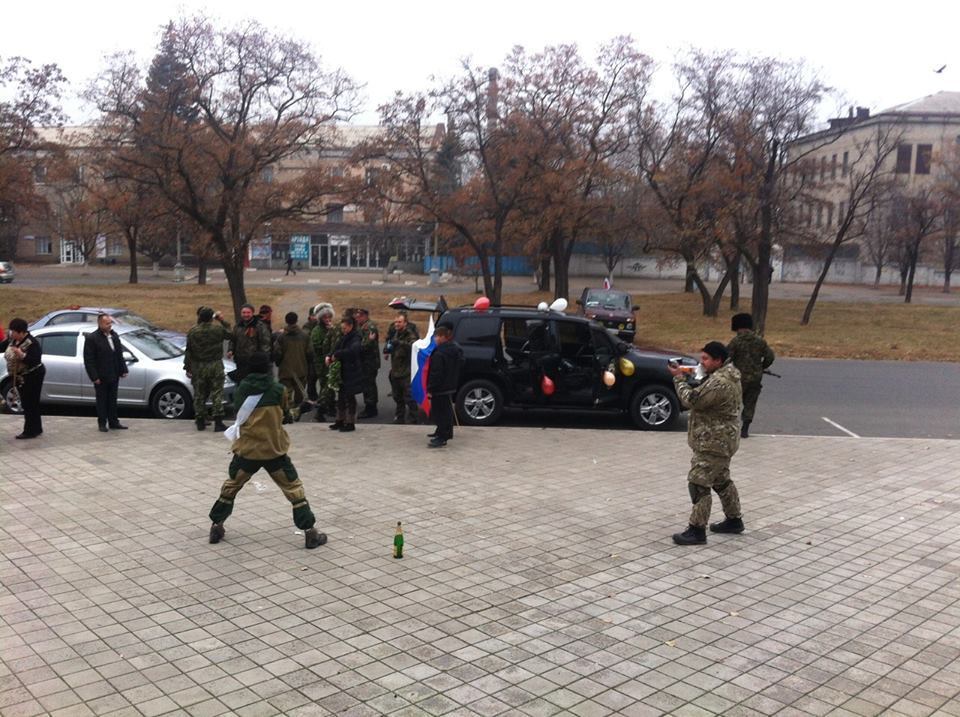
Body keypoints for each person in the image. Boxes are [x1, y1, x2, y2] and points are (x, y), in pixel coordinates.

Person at [208, 352, 326, 550]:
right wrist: (302, 409)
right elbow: (286, 417)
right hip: (273, 451)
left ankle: (216, 526)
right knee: (293, 489)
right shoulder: (278, 390)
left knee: (231, 487)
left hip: (247, 451)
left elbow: (240, 413)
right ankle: (310, 533)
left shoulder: (241, 389)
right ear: (268, 369)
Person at [667, 341, 744, 545]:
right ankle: (734, 520)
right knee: (721, 480)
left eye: (706, 359)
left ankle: (696, 530)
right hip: (723, 439)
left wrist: (678, 379)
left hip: (713, 442)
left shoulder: (719, 382)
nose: (702, 362)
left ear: (718, 361)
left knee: (698, 482)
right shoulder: (727, 375)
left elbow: (692, 400)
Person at [727, 313, 775, 438]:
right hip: (755, 378)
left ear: (737, 326)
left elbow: (727, 358)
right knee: (750, 403)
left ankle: (732, 428)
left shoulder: (736, 341)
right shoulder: (760, 341)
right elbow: (770, 356)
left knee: (734, 403)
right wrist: (762, 367)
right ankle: (745, 429)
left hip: (739, 378)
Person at [184, 307, 231, 432]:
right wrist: (222, 320)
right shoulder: (217, 329)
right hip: (215, 365)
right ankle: (218, 422)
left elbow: (189, 351)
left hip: (198, 366)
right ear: (212, 318)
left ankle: (200, 421)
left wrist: (187, 367)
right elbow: (230, 333)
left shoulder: (193, 331)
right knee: (217, 393)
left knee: (199, 394)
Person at [83, 313, 130, 432]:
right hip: (101, 376)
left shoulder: (114, 336)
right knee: (102, 400)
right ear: (100, 324)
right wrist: (94, 377)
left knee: (112, 399)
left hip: (113, 374)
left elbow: (119, 354)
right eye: (107, 323)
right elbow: (89, 360)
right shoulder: (92, 338)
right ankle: (102, 423)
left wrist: (123, 369)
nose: (109, 325)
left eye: (110, 323)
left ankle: (114, 421)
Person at [4, 318, 45, 439]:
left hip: (33, 375)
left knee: (30, 403)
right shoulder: (14, 341)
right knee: (30, 403)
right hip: (21, 375)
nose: (12, 334)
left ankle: (30, 430)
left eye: (14, 332)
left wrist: (21, 355)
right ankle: (36, 428)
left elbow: (35, 360)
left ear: (22, 332)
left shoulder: (32, 343)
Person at [426, 324, 464, 448]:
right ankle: (440, 431)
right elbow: (462, 363)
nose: (435, 339)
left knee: (441, 412)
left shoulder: (440, 353)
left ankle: (443, 437)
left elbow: (436, 373)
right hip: (450, 384)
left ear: (443, 337)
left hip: (440, 388)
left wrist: (430, 388)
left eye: (436, 336)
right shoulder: (455, 349)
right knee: (445, 411)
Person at [273, 311, 313, 422]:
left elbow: (277, 353)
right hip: (301, 369)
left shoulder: (281, 337)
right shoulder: (305, 336)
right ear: (296, 320)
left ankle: (287, 414)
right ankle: (297, 412)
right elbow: (310, 353)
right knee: (299, 393)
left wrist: (279, 363)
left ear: (286, 321)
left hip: (285, 370)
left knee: (286, 394)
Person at [327, 314, 362, 432]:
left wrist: (337, 354)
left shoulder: (356, 337)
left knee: (349, 397)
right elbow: (336, 347)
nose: (343, 330)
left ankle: (350, 421)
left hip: (351, 371)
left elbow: (353, 351)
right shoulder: (344, 337)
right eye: (342, 328)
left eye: (345, 328)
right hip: (342, 371)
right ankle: (340, 419)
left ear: (351, 326)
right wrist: (329, 355)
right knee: (341, 396)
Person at [386, 312, 419, 424]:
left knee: (409, 397)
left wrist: (400, 343)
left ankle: (413, 418)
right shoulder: (395, 333)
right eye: (396, 322)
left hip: (406, 372)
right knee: (397, 397)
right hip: (396, 370)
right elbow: (390, 345)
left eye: (399, 322)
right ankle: (399, 417)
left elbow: (414, 346)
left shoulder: (410, 334)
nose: (397, 324)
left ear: (405, 323)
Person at [228, 304, 272, 381]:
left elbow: (265, 343)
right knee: (241, 383)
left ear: (252, 313)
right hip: (240, 360)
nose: (246, 315)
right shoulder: (238, 326)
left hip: (254, 362)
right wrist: (230, 350)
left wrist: (263, 359)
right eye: (244, 313)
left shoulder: (259, 326)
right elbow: (233, 340)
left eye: (248, 312)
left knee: (253, 383)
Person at [309, 303, 337, 422]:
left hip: (332, 362)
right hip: (321, 363)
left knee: (332, 387)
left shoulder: (331, 329)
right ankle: (320, 410)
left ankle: (330, 407)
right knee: (326, 387)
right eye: (325, 317)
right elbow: (319, 347)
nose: (328, 320)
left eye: (329, 317)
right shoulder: (317, 331)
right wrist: (330, 335)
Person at [355, 308, 381, 418]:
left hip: (369, 362)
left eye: (359, 316)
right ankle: (370, 406)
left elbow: (366, 345)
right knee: (367, 384)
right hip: (365, 362)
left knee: (369, 385)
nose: (357, 318)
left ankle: (371, 408)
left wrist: (356, 347)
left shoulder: (369, 327)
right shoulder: (362, 327)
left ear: (364, 316)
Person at [301, 309, 320, 407]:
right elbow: (306, 336)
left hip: (320, 356)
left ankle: (321, 398)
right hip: (311, 357)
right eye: (313, 315)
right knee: (311, 378)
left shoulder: (321, 324)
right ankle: (312, 397)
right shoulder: (307, 326)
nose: (315, 317)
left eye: (316, 315)